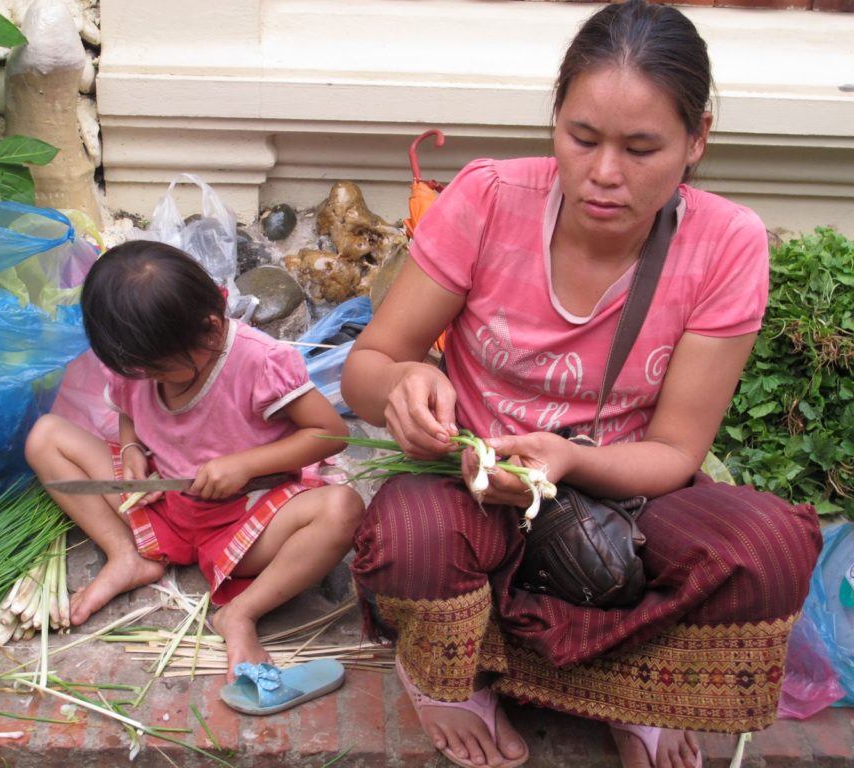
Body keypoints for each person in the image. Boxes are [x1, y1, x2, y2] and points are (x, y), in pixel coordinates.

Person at [340, 2, 822, 767]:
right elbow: (368, 366)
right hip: (474, 490)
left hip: (626, 501)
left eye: (642, 148)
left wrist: (567, 462)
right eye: (582, 137)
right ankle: (454, 681)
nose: (604, 175)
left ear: (696, 140)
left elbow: (672, 451)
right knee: (408, 538)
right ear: (555, 121)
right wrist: (403, 386)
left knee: (766, 548)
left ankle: (639, 692)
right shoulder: (490, 198)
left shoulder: (727, 244)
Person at [26, 240, 364, 677]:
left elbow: (329, 434)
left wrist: (246, 464)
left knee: (342, 509)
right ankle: (127, 555)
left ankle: (240, 613)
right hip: (162, 502)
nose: (146, 380)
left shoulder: (258, 362)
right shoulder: (140, 362)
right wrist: (131, 451)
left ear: (209, 329)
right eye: (138, 371)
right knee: (44, 437)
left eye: (159, 370)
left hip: (246, 517)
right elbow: (129, 411)